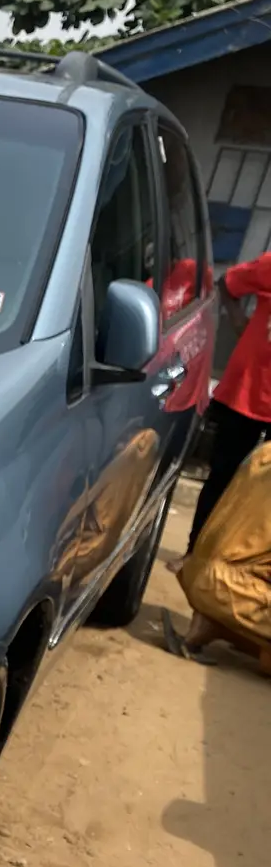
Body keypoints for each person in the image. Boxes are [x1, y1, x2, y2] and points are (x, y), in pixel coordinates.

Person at [185, 251, 271, 552]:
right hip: (247, 391)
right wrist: (240, 324)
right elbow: (228, 282)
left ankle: (247, 564)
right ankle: (195, 552)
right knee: (223, 475)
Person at [163, 439, 271, 677]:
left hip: (197, 571)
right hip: (230, 586)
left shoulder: (265, 452)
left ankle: (209, 626)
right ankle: (217, 623)